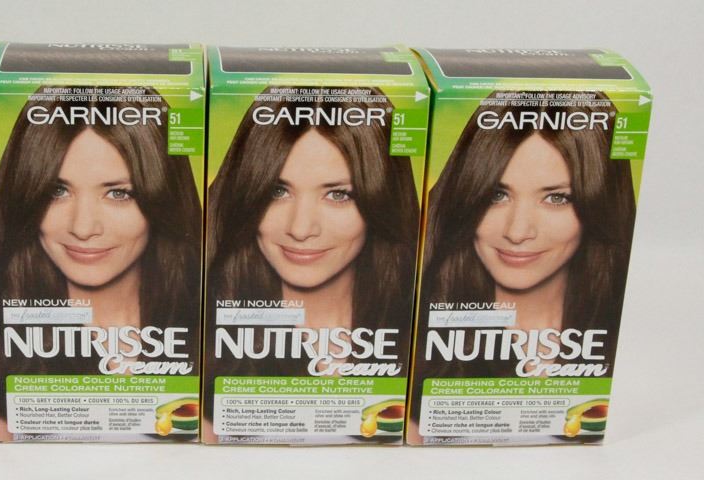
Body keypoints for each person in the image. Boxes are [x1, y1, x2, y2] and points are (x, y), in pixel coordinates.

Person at [408, 91, 635, 442]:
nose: (517, 232)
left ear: (599, 204)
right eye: (497, 195)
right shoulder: (410, 342)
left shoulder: (609, 333)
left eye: (557, 198)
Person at [202, 87, 420, 441]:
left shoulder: (427, 345)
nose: (301, 228)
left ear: (382, 200)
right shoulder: (199, 343)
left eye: (338, 194)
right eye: (277, 191)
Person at [0, 86, 203, 436]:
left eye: (119, 193)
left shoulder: (214, 334)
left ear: (163, 198)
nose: (83, 228)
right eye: (57, 191)